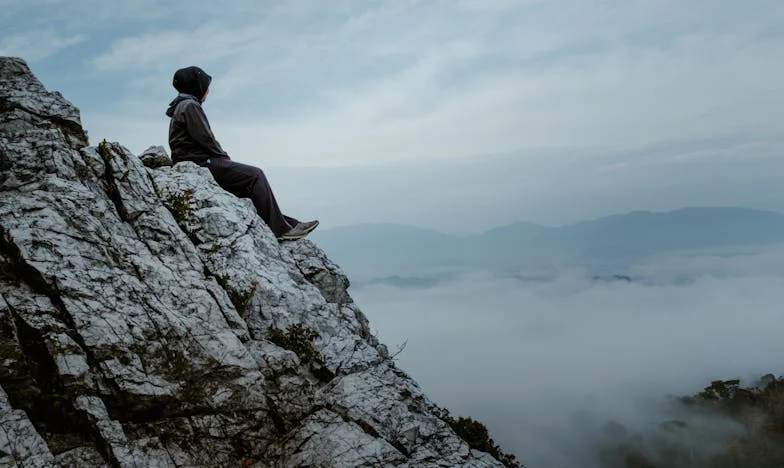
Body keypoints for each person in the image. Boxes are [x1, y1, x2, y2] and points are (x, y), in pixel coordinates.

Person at [165, 66, 318, 241]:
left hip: (194, 161)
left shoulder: (182, 105)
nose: (208, 91)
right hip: (199, 162)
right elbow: (206, 138)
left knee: (247, 188)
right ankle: (281, 231)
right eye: (206, 86)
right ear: (197, 86)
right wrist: (223, 158)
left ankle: (289, 224)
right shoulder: (190, 106)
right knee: (255, 175)